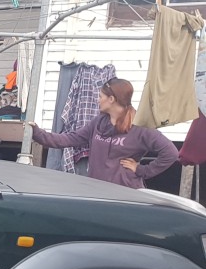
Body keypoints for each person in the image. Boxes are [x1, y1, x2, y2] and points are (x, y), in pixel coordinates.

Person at [29, 77, 179, 189]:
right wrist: (37, 133)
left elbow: (171, 152)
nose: (97, 100)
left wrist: (142, 170)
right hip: (97, 191)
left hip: (126, 195)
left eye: (100, 96)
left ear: (112, 99)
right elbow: (70, 138)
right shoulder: (99, 122)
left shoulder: (140, 127)